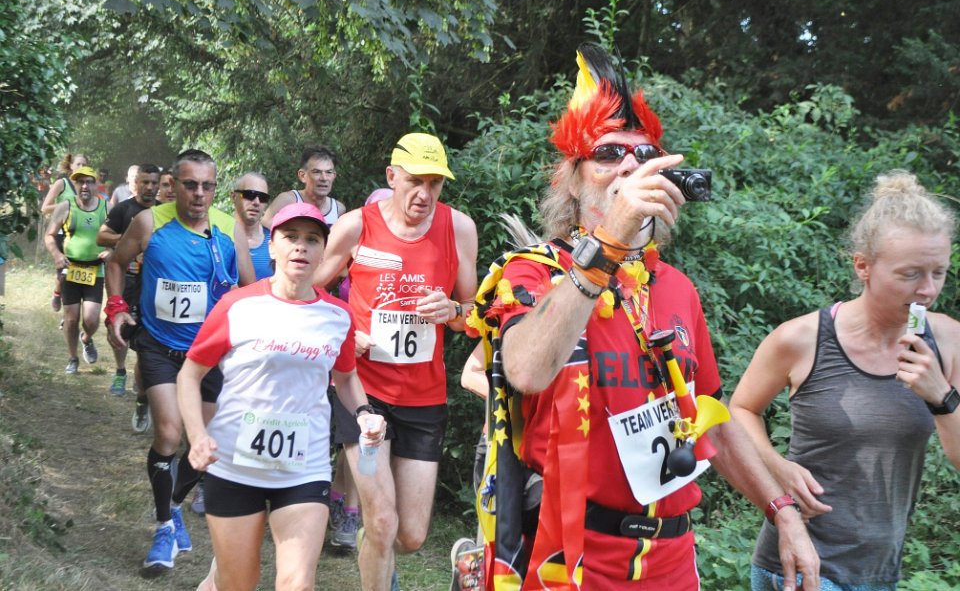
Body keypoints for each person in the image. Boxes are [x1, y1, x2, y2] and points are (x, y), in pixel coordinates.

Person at [468, 44, 818, 590]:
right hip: (568, 558)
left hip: (671, 558)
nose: (630, 165)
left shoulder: (676, 287)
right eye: (608, 154)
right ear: (573, 179)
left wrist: (783, 511)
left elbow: (711, 417)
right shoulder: (533, 272)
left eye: (645, 153)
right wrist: (609, 242)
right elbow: (527, 370)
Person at [730, 170, 960, 591]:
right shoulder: (801, 338)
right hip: (800, 564)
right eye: (910, 274)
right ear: (863, 266)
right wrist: (776, 465)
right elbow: (740, 410)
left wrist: (941, 397)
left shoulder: (947, 340)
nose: (928, 290)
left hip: (880, 570)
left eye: (939, 272)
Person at [179, 202, 387, 591]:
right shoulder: (237, 305)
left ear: (324, 253)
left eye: (312, 240)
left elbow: (345, 378)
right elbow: (190, 375)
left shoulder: (338, 316)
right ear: (272, 246)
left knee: (297, 583)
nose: (301, 247)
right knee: (238, 584)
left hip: (303, 467)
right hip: (234, 464)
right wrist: (197, 435)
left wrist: (363, 412)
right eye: (290, 237)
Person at [313, 132, 478, 590]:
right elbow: (310, 290)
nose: (424, 193)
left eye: (434, 183)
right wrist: (345, 332)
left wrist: (454, 310)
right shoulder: (356, 226)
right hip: (363, 397)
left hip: (424, 400)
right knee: (383, 521)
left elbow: (473, 315)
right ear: (391, 177)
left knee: (410, 535)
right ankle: (376, 547)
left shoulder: (459, 229)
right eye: (414, 181)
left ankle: (375, 546)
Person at [104, 149, 254, 572]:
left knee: (203, 444)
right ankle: (164, 527)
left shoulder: (228, 229)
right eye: (190, 185)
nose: (199, 194)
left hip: (208, 357)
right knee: (169, 434)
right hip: (160, 348)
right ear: (173, 184)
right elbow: (115, 263)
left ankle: (171, 505)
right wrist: (116, 307)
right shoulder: (149, 222)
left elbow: (250, 289)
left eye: (208, 186)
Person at [327, 186, 393, 552]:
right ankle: (349, 511)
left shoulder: (401, 265)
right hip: (349, 371)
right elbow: (322, 303)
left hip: (389, 374)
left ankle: (342, 502)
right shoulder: (345, 263)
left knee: (354, 446)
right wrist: (348, 336)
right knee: (354, 442)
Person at [96, 163, 161, 400]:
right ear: (136, 184)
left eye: (154, 183)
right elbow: (101, 236)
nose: (150, 187)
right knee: (121, 328)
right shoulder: (124, 208)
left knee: (148, 333)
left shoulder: (165, 212)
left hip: (152, 282)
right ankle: (120, 371)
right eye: (145, 182)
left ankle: (142, 379)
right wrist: (128, 240)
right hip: (125, 278)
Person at [43, 165, 110, 374]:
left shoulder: (106, 207)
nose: (84, 186)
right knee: (71, 319)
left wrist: (110, 250)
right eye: (80, 182)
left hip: (95, 270)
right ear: (76, 184)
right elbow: (49, 235)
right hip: (70, 269)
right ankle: (72, 358)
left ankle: (86, 338)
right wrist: (57, 255)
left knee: (91, 319)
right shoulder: (65, 206)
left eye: (89, 182)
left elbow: (118, 236)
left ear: (96, 185)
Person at [41, 152, 89, 312]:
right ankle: (57, 293)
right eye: (78, 164)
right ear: (71, 166)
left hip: (81, 233)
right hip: (61, 232)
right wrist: (67, 205)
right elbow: (45, 208)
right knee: (64, 271)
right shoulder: (62, 183)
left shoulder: (88, 185)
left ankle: (71, 310)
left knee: (78, 272)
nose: (81, 167)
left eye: (84, 164)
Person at [261, 144, 346, 227]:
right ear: (302, 176)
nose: (324, 178)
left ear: (334, 176)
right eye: (316, 172)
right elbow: (263, 228)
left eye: (329, 172)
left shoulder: (338, 209)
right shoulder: (288, 201)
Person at [231, 172, 273, 281]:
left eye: (263, 198)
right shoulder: (218, 238)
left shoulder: (275, 241)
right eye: (250, 195)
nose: (257, 202)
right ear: (234, 197)